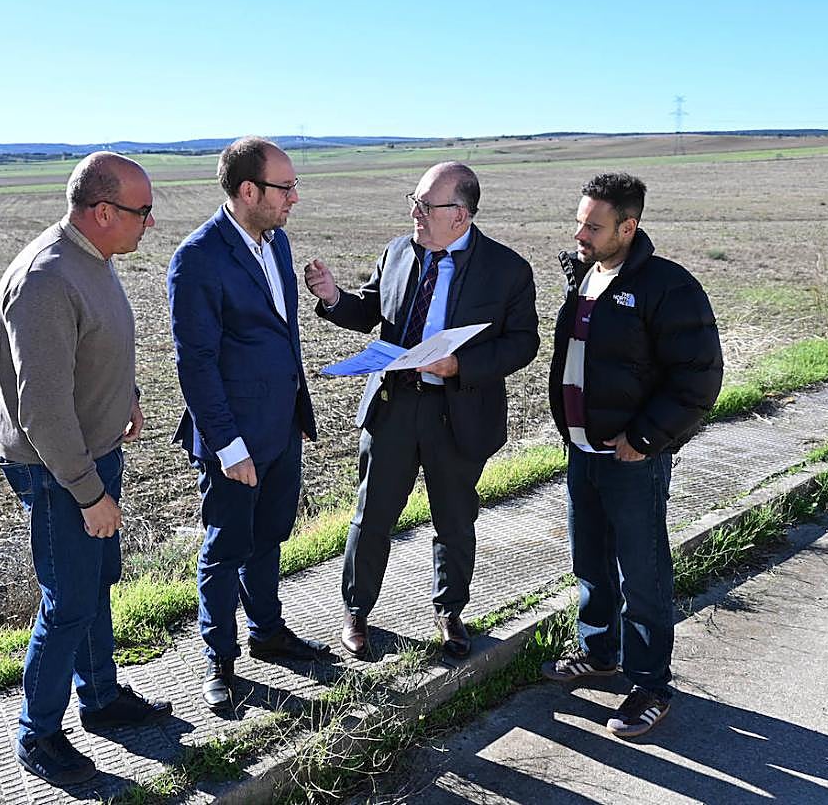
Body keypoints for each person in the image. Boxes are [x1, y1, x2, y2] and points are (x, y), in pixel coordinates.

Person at [304, 162, 539, 660]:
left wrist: (461, 366)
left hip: (457, 411)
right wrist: (332, 298)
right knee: (372, 515)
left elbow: (524, 344)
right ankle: (356, 610)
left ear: (461, 214)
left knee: (454, 518)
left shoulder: (507, 269)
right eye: (414, 200)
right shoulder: (397, 251)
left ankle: (450, 611)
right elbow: (371, 310)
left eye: (426, 206)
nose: (415, 212)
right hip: (394, 405)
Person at [0, 152, 171, 786]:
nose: (149, 223)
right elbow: (42, 410)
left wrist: (127, 398)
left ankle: (101, 700)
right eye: (142, 212)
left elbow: (99, 344)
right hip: (57, 469)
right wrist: (90, 493)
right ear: (102, 212)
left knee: (95, 582)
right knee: (67, 600)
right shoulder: (46, 279)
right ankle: (38, 736)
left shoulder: (94, 259)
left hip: (92, 453)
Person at [541, 172, 723, 738]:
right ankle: (599, 653)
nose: (581, 234)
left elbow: (699, 377)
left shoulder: (667, 287)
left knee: (641, 573)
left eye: (593, 226)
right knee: (589, 560)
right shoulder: (587, 277)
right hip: (582, 450)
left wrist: (644, 439)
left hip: (631, 458)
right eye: (579, 223)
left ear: (628, 226)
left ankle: (649, 684)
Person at [167, 137, 328, 713]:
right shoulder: (199, 258)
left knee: (270, 537)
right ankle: (220, 657)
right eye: (286, 188)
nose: (295, 199)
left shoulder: (275, 242)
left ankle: (268, 630)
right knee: (225, 548)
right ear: (248, 191)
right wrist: (227, 446)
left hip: (282, 424)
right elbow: (197, 363)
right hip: (234, 437)